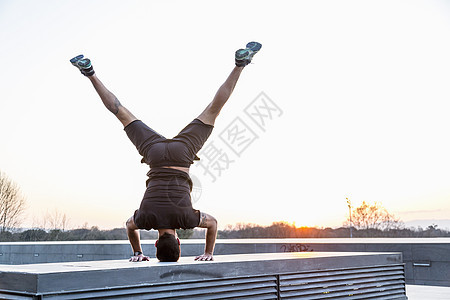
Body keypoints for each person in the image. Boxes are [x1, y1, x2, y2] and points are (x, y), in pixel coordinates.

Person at [70, 42, 262, 262]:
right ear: (156, 242)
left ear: (178, 241)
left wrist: (209, 253)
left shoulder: (187, 219)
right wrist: (137, 252)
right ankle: (89, 73)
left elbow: (213, 223)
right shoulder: (143, 220)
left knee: (213, 109)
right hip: (155, 154)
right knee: (120, 112)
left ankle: (239, 65)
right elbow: (129, 226)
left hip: (182, 154)